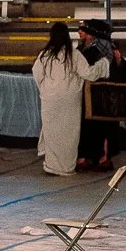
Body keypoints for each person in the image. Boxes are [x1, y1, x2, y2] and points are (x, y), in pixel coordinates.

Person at [33, 21, 104, 177]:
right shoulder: (74, 54)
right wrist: (103, 65)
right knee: (69, 133)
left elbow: (37, 74)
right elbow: (88, 73)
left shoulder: (44, 55)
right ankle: (66, 166)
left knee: (52, 132)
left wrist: (46, 90)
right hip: (70, 99)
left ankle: (52, 165)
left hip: (50, 99)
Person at [76, 18, 126, 170]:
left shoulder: (103, 49)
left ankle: (103, 157)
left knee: (105, 127)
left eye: (85, 30)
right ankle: (89, 156)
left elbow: (120, 68)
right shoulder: (85, 49)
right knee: (89, 127)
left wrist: (118, 62)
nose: (80, 32)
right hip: (90, 95)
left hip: (103, 96)